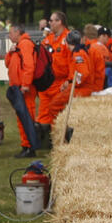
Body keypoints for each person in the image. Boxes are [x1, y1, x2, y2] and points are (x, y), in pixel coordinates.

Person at [36, 11, 73, 148]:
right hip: (47, 83)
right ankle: (46, 142)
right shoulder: (48, 39)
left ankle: (61, 139)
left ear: (60, 22)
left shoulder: (69, 38)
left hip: (60, 83)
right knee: (44, 114)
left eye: (52, 21)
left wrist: (68, 81)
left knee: (58, 112)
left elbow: (72, 61)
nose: (49, 23)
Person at [5, 24, 40, 158]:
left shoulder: (25, 44)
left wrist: (25, 84)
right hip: (18, 88)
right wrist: (10, 52)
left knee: (27, 117)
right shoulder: (18, 46)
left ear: (18, 32)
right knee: (22, 117)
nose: (9, 35)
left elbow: (29, 65)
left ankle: (30, 147)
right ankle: (26, 145)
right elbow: (8, 63)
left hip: (24, 89)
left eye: (11, 33)